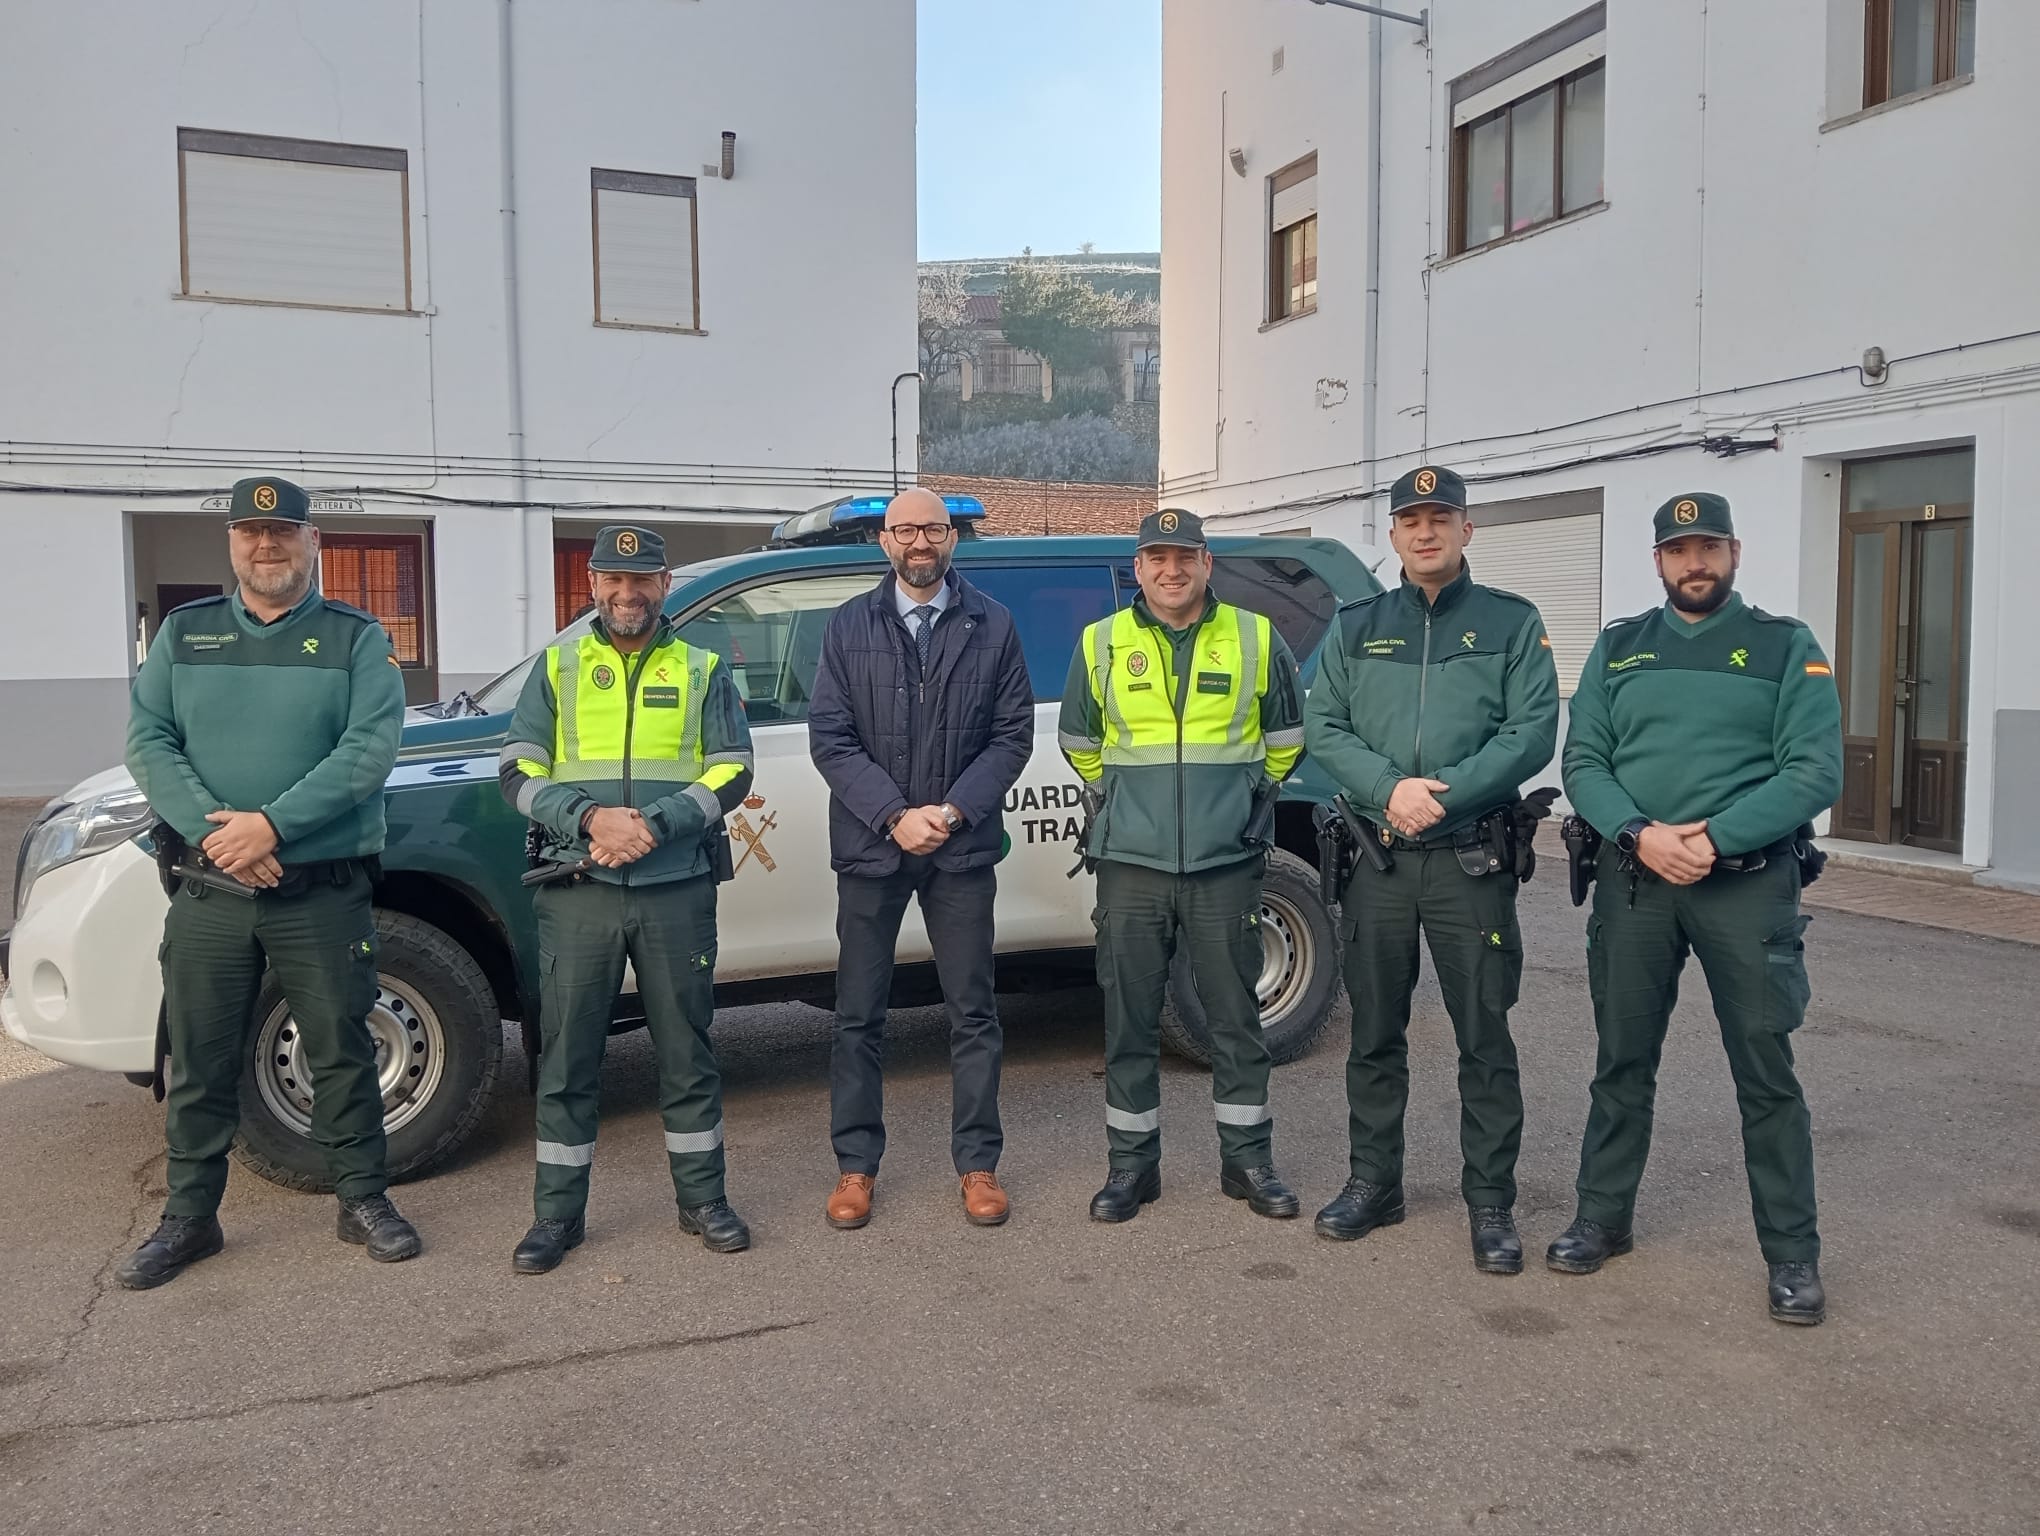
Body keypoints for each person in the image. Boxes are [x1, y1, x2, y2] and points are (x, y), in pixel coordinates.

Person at [118, 475, 416, 1288]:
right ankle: (189, 1219)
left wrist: (270, 826)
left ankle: (363, 1200)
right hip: (213, 892)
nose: (266, 545)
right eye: (251, 533)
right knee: (200, 1058)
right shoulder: (187, 635)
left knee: (343, 1051)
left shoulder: (357, 638)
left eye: (283, 532)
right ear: (232, 545)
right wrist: (224, 835)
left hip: (318, 892)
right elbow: (149, 742)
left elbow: (366, 754)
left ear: (312, 542)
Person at [1553, 492, 1841, 1325]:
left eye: (1708, 546)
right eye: (1678, 550)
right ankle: (1602, 1219)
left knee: (1766, 1074)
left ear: (1735, 552)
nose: (1694, 562)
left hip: (1746, 886)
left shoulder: (1786, 647)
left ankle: (1792, 1255)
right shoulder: (1621, 648)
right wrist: (1639, 833)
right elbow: (1586, 758)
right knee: (1622, 1060)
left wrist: (1710, 839)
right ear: (1657, 562)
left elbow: (1813, 771)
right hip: (1636, 879)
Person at [1303, 464, 1559, 1272]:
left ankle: (1491, 1203)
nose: (1425, 531)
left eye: (1440, 519)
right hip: (1378, 861)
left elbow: (1532, 731)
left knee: (1484, 1034)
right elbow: (1325, 726)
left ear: (1465, 529)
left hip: (1467, 862)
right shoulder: (1355, 624)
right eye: (1411, 520)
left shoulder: (1511, 624)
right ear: (1393, 534)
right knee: (1374, 1033)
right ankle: (1374, 1182)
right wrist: (1390, 790)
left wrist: (1441, 798)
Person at [498, 525, 757, 1274]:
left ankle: (703, 1200)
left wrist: (654, 825)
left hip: (675, 886)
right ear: (591, 585)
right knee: (568, 1057)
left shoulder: (704, 667)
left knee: (687, 1050)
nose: (626, 593)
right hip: (579, 888)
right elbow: (518, 771)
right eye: (613, 579)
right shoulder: (558, 664)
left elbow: (732, 771)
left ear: (665, 585)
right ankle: (556, 1216)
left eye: (641, 580)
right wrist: (589, 820)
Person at [1058, 508, 1306, 1223]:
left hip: (1225, 862)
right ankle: (1132, 1170)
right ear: (1137, 569)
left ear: (1207, 564)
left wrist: (1238, 802)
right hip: (1130, 864)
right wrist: (1128, 804)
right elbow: (1080, 741)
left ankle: (1249, 1164)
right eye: (1156, 558)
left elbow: (1286, 741)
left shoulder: (1255, 637)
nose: (1172, 570)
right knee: (1129, 1020)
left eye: (1185, 557)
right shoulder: (1101, 642)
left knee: (1235, 1017)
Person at [807, 488, 1034, 1229]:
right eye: (905, 530)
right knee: (858, 1015)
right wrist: (892, 815)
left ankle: (978, 1165)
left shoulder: (993, 625)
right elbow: (831, 738)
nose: (919, 543)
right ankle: (855, 1168)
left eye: (932, 529)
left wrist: (950, 810)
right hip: (873, 847)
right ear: (884, 542)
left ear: (952, 539)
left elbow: (1011, 737)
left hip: (960, 846)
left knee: (972, 1010)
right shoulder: (848, 626)